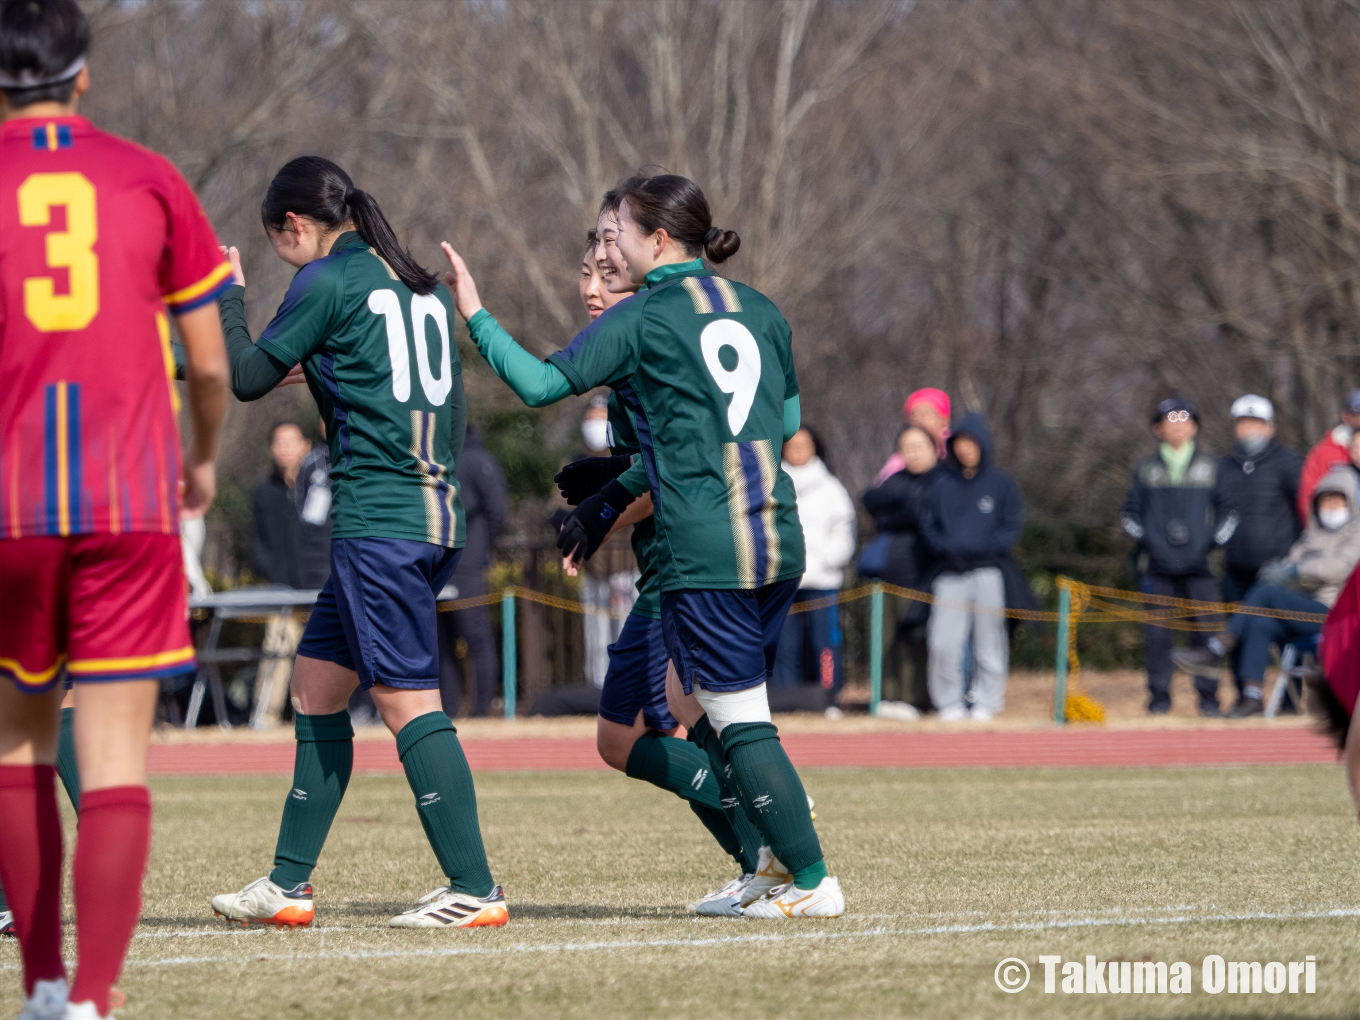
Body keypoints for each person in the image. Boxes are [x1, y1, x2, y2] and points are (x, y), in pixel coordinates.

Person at [441, 171, 844, 918]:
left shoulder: (648, 315)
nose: (607, 247)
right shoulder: (759, 306)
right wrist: (643, 470)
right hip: (776, 537)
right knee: (687, 698)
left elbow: (536, 384)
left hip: (706, 548)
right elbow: (784, 426)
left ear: (657, 241)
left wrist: (475, 313)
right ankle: (768, 859)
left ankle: (811, 878)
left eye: (615, 233)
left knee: (735, 716)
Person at [0, 1, 230, 1015]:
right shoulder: (148, 176)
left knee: (17, 747)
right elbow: (211, 364)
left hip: (9, 508)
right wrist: (204, 461)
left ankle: (42, 983)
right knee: (116, 759)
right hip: (129, 504)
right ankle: (92, 1000)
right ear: (83, 74)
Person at [206, 156, 507, 932]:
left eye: (279, 242)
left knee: (407, 702)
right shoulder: (411, 285)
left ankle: (474, 888)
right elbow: (371, 379)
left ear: (295, 226)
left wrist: (229, 299)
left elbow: (245, 376)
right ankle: (288, 885)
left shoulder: (328, 281)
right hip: (429, 512)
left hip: (383, 521)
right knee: (315, 687)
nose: (282, 257)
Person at [554, 220, 768, 917]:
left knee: (661, 724)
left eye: (606, 276)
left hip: (692, 567)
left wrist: (611, 493)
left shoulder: (653, 346)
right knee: (641, 731)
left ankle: (770, 831)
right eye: (585, 275)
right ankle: (762, 843)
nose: (591, 289)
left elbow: (684, 469)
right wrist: (613, 481)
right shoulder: (628, 354)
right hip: (668, 571)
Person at [1175, 467, 1360, 716]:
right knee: (1260, 621)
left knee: (1265, 593)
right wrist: (1278, 571)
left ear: (1350, 501)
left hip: (1335, 614)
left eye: (1337, 500)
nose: (1331, 507)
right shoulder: (1311, 534)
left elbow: (1339, 568)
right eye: (1326, 500)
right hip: (1304, 606)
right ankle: (1252, 695)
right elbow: (1288, 565)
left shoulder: (1357, 533)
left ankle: (1217, 648)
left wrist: (1294, 573)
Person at [1121, 397, 1237, 716]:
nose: (1178, 426)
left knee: (1207, 635)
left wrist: (1210, 543)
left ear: (1195, 426)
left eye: (1184, 419)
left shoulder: (1211, 467)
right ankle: (1159, 700)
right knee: (1157, 636)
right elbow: (1129, 515)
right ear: (1157, 429)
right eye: (1170, 420)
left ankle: (1209, 699)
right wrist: (1150, 542)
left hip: (1200, 567)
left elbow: (1229, 514)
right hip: (1157, 567)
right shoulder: (1146, 469)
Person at [920, 413, 1023, 721]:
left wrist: (982, 549)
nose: (966, 450)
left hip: (988, 572)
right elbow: (929, 525)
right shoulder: (940, 483)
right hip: (949, 573)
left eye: (972, 443)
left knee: (990, 641)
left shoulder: (1002, 483)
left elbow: (1011, 527)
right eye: (960, 443)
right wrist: (948, 550)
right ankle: (948, 702)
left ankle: (986, 702)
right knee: (943, 642)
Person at [862, 424, 942, 716]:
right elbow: (871, 499)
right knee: (888, 637)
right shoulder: (896, 480)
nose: (914, 454)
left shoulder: (944, 480)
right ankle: (887, 696)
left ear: (935, 449)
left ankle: (917, 697)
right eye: (907, 448)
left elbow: (922, 513)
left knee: (918, 639)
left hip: (928, 573)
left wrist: (898, 514)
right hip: (891, 573)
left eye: (920, 447)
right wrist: (902, 513)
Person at [773, 426, 856, 697]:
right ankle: (786, 697)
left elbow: (844, 530)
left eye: (804, 445)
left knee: (825, 643)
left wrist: (827, 560)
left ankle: (828, 696)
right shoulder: (769, 481)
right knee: (784, 644)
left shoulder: (831, 487)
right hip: (781, 578)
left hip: (821, 578)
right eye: (792, 445)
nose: (797, 451)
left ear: (815, 447)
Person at [436, 424, 506, 717]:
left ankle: (479, 710)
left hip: (462, 565)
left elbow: (497, 512)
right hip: (442, 566)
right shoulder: (438, 459)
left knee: (472, 639)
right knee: (445, 643)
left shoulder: (474, 460)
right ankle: (451, 709)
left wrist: (478, 548)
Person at [572, 393, 640, 687]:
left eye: (602, 420)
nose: (596, 427)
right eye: (592, 420)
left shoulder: (627, 458)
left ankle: (628, 686)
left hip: (626, 562)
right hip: (592, 564)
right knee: (596, 637)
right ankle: (598, 689)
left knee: (627, 630)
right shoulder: (574, 461)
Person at [1218, 395, 1302, 603]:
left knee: (1270, 631)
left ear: (1269, 428)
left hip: (1276, 572)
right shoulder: (1224, 467)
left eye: (1255, 424)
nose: (1248, 430)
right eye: (1243, 423)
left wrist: (1294, 562)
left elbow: (1308, 513)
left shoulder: (1289, 464)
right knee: (1236, 632)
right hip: (1234, 572)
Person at [251, 420, 331, 590]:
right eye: (278, 442)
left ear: (306, 445)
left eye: (290, 442)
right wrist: (267, 569)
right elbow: (259, 541)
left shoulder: (322, 487)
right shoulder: (263, 493)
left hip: (318, 582)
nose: (284, 448)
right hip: (278, 588)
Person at [1298, 388, 1360, 521]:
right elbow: (1308, 493)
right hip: (1336, 532)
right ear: (1345, 416)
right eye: (1357, 414)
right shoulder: (1324, 452)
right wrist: (1315, 527)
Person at [874, 387, 951, 483]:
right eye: (914, 414)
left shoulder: (955, 451)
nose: (920, 420)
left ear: (944, 420)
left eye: (926, 414)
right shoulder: (898, 462)